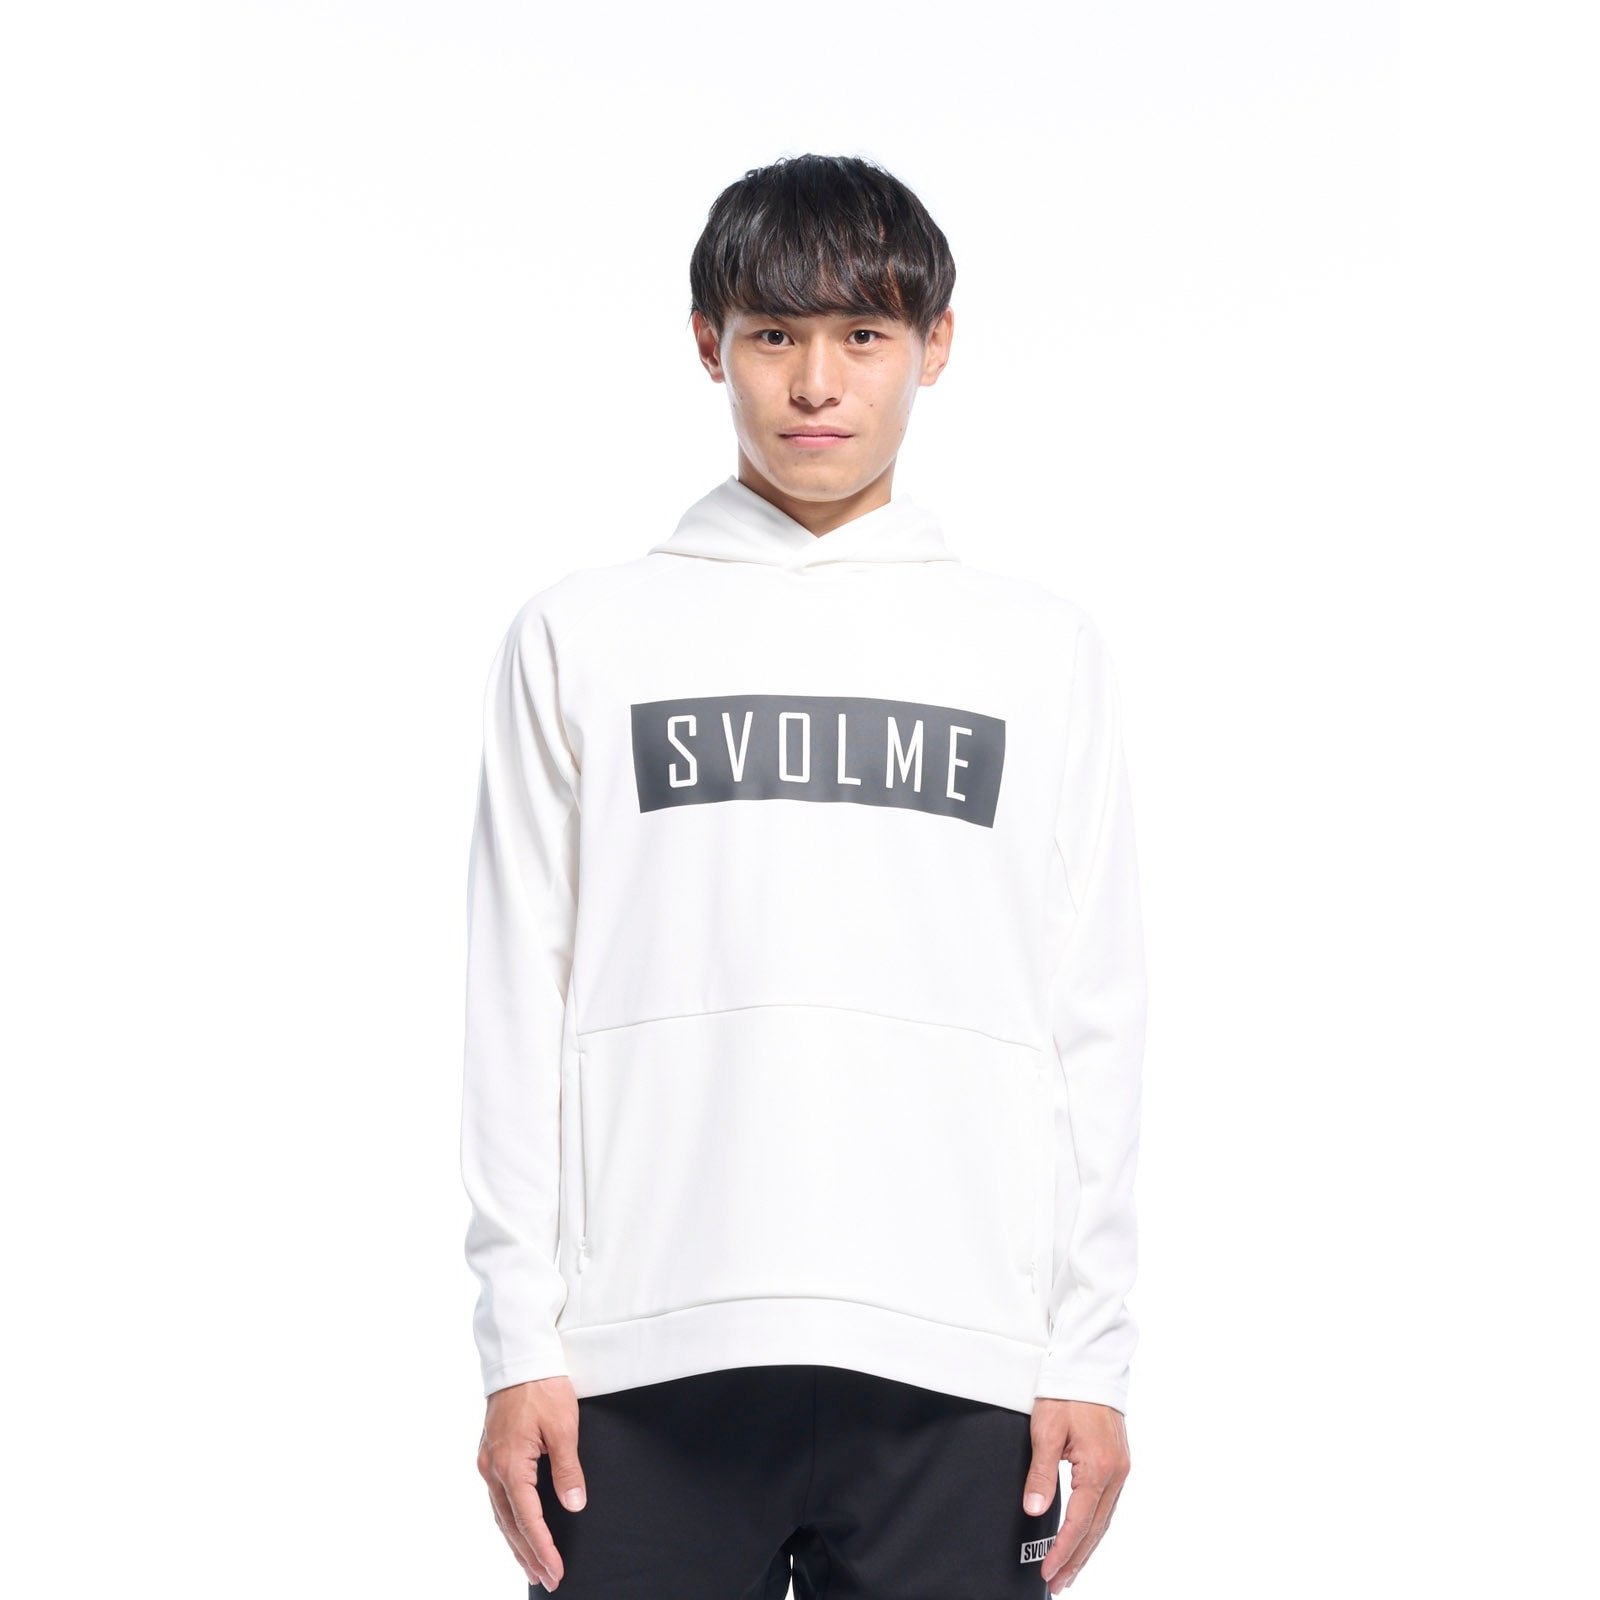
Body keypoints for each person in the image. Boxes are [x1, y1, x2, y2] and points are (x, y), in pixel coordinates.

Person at [460, 152, 1148, 1598]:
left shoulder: (1038, 653)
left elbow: (1091, 1019)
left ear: (935, 346)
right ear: (708, 343)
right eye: (774, 332)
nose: (817, 382)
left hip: (958, 1355)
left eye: (863, 334)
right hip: (643, 1353)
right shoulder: (583, 637)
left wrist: (1088, 1353)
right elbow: (516, 999)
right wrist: (518, 1341)